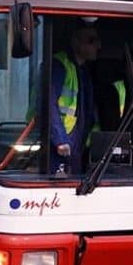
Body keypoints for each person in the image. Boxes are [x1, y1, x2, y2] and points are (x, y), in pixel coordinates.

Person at [49, 21, 101, 173]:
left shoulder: (84, 72)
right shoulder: (59, 66)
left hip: (76, 146)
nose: (98, 46)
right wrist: (60, 140)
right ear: (75, 41)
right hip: (57, 148)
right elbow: (47, 104)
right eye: (92, 40)